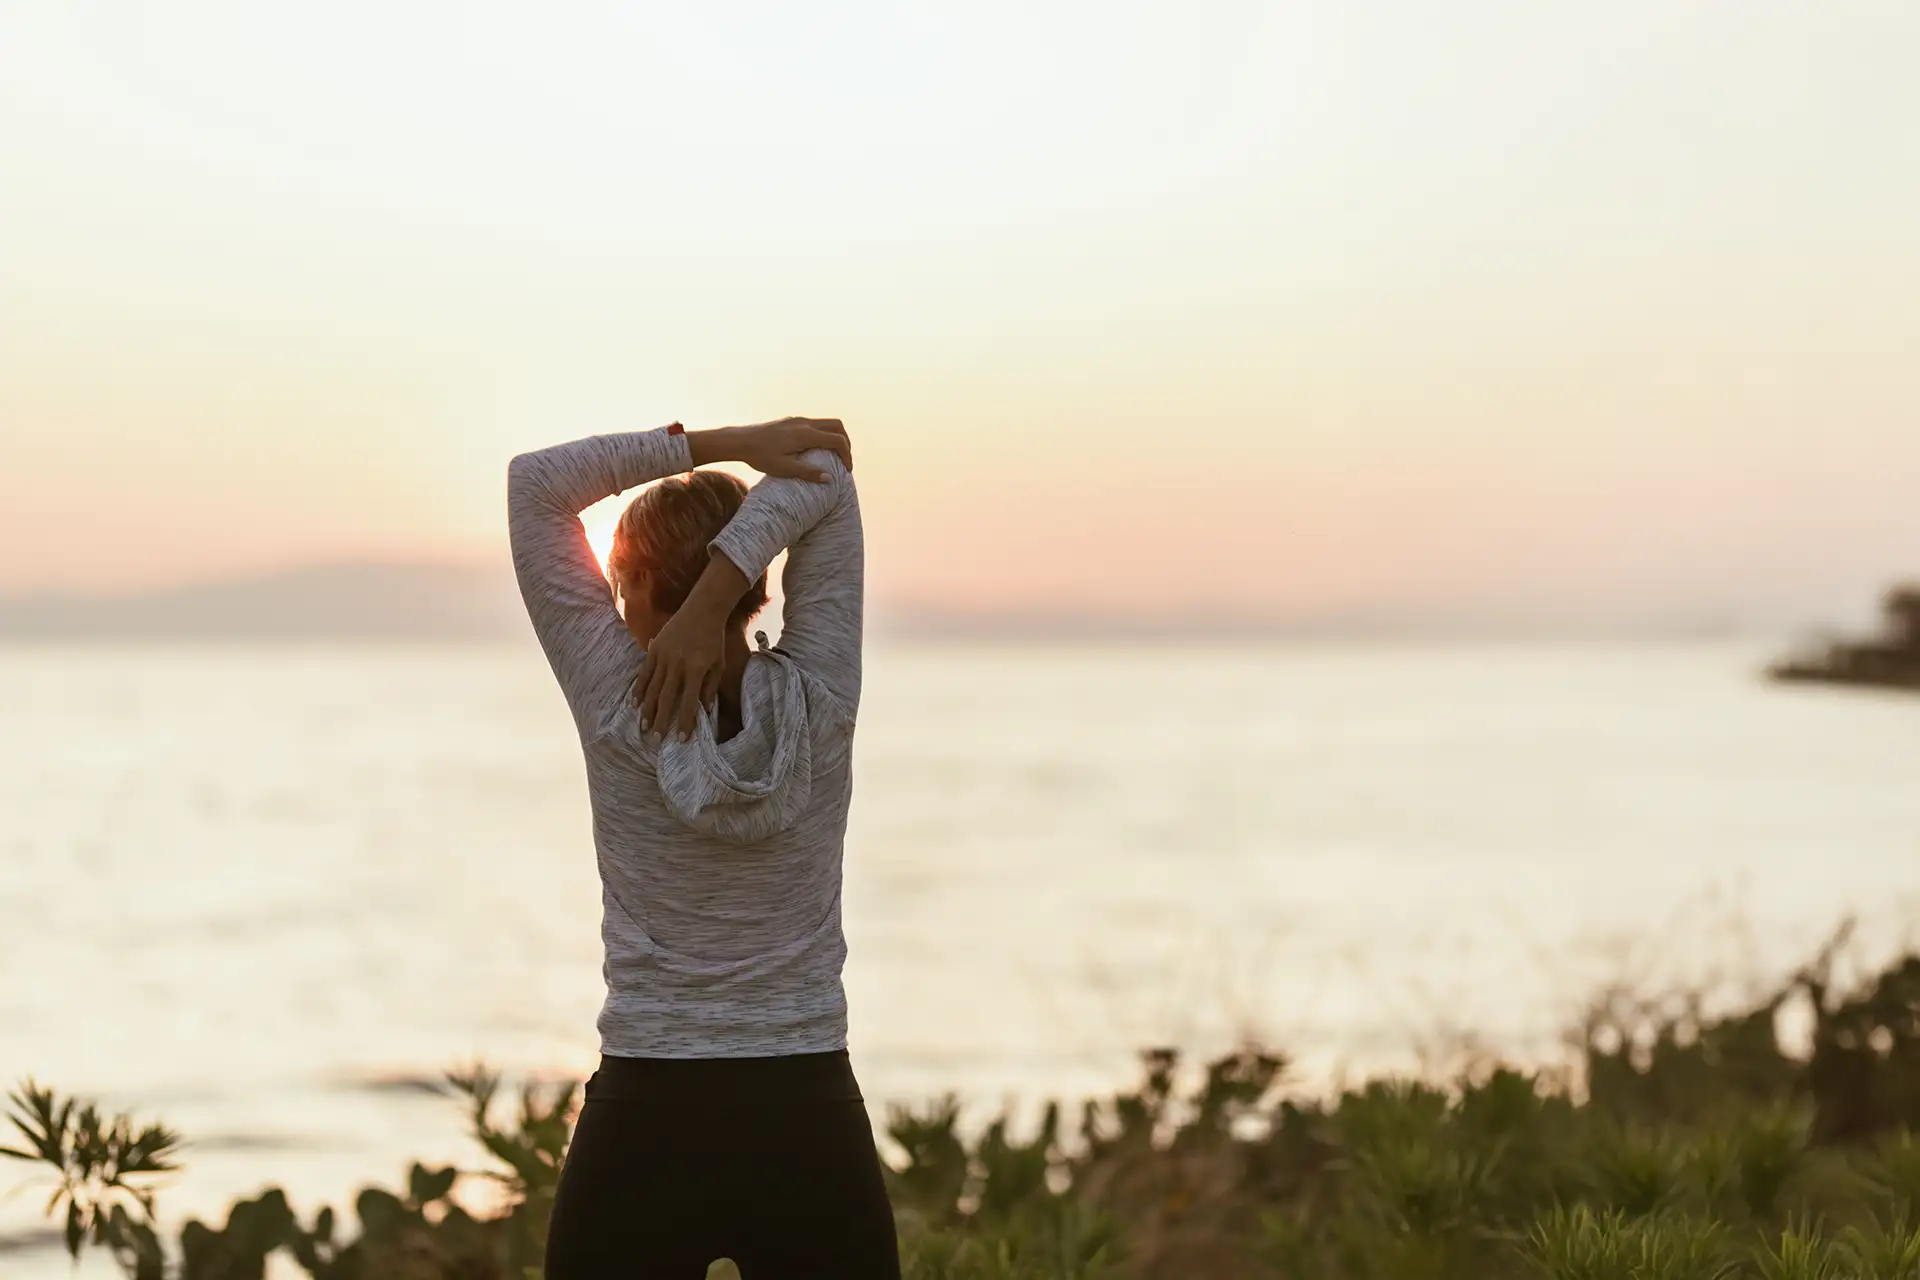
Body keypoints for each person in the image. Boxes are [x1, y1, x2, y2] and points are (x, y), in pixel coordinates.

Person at [506, 416, 899, 1278]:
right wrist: (717, 592)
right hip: (806, 1112)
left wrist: (724, 442)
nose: (615, 605)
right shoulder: (822, 700)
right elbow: (827, 469)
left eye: (622, 585)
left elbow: (535, 484)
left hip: (649, 1110)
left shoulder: (616, 701)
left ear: (644, 583)